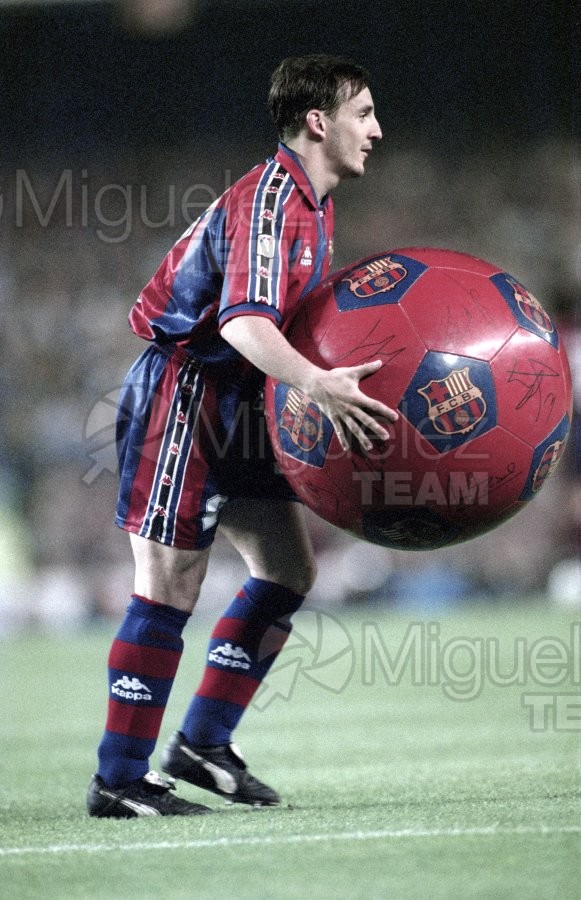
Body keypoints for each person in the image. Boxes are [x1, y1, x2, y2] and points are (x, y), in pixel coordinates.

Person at [87, 53, 397, 818]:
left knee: (289, 570)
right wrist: (317, 384)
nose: (376, 129)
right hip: (185, 393)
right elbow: (244, 322)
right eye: (362, 113)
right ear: (317, 122)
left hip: (244, 400)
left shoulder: (313, 204)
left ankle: (201, 743)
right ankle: (119, 778)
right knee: (169, 583)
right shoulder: (271, 201)